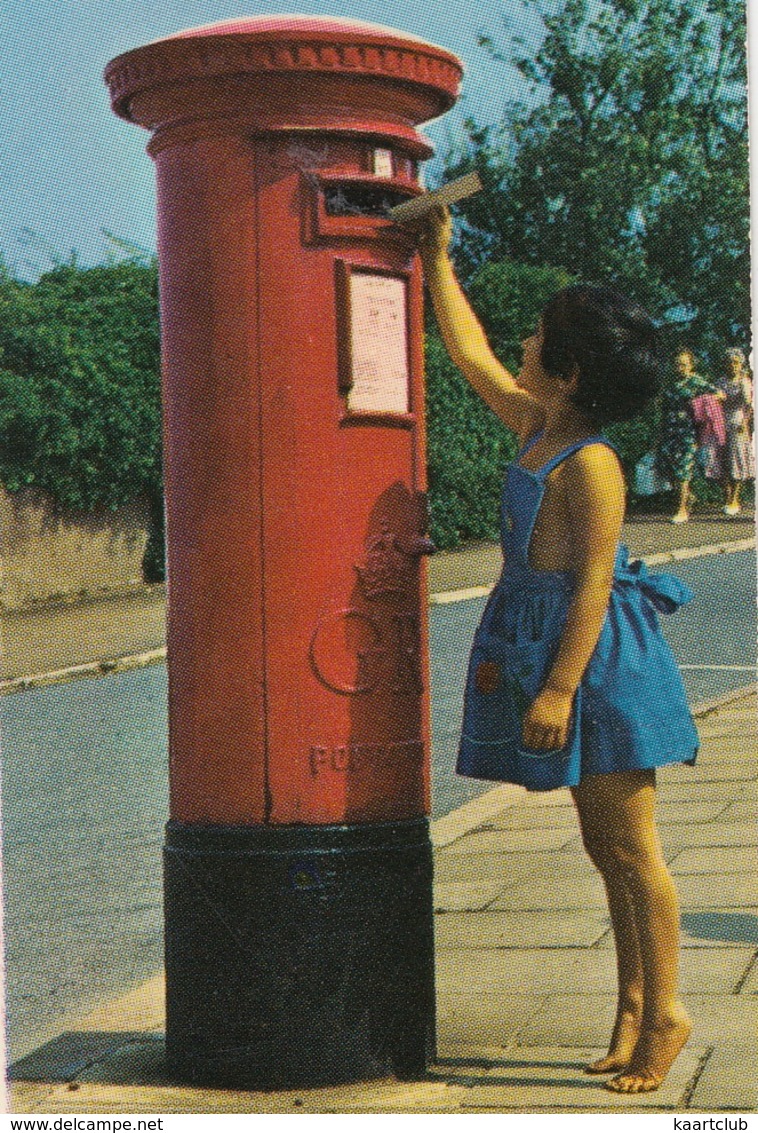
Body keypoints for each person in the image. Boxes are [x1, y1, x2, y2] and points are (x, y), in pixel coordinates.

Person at [417, 206, 698, 1095]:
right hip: (556, 654)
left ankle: (668, 1012)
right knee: (603, 847)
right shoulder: (542, 426)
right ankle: (629, 1004)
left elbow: (591, 586)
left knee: (632, 848)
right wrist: (437, 260)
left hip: (601, 666)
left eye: (537, 339)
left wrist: (556, 693)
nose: (523, 346)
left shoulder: (592, 464)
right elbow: (470, 357)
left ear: (570, 372)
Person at [656, 349, 718, 523]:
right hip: (670, 432)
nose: (680, 367)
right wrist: (659, 435)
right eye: (677, 364)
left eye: (684, 364)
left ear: (691, 365)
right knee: (669, 469)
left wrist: (701, 405)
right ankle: (687, 497)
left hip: (689, 433)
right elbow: (664, 410)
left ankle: (682, 510)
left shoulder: (697, 382)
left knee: (683, 471)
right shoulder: (671, 384)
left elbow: (718, 394)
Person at [719, 348, 754, 516]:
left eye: (736, 362)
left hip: (738, 421)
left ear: (741, 364)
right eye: (729, 362)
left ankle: (735, 498)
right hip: (721, 422)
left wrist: (745, 422)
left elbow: (749, 406)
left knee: (737, 460)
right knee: (722, 460)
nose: (732, 366)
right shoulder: (721, 381)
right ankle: (727, 496)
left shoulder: (744, 381)